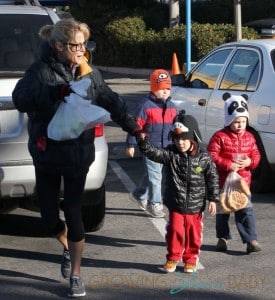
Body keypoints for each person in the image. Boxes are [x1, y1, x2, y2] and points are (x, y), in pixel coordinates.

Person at [12, 18, 140, 298]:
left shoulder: (89, 74)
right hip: (46, 152)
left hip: (77, 154)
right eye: (76, 45)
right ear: (59, 45)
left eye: (84, 44)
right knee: (48, 216)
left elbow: (111, 99)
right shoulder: (40, 71)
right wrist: (54, 93)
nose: (82, 50)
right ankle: (68, 245)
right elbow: (21, 98)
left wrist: (134, 127)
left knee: (74, 210)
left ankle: (76, 274)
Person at [137, 111, 219, 273]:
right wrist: (143, 142)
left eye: (184, 139)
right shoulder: (170, 154)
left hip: (196, 205)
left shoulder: (204, 158)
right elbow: (154, 153)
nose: (180, 143)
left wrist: (213, 199)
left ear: (193, 137)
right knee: (175, 230)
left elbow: (213, 178)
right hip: (176, 202)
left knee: (193, 233)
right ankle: (173, 257)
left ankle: (190, 258)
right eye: (177, 139)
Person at [207, 92, 262, 254]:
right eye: (236, 121)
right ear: (229, 120)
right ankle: (222, 237)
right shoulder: (220, 137)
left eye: (243, 121)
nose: (240, 125)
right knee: (223, 212)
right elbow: (212, 155)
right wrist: (228, 164)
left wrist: (250, 162)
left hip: (243, 183)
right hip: (224, 182)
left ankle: (251, 240)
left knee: (246, 211)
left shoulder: (250, 137)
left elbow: (256, 154)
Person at [125, 69, 177, 218]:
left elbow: (175, 127)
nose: (165, 92)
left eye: (168, 88)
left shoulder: (172, 107)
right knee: (155, 177)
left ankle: (139, 194)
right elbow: (135, 126)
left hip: (166, 148)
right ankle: (155, 204)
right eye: (161, 88)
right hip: (149, 147)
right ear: (154, 88)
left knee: (154, 175)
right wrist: (131, 144)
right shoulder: (145, 105)